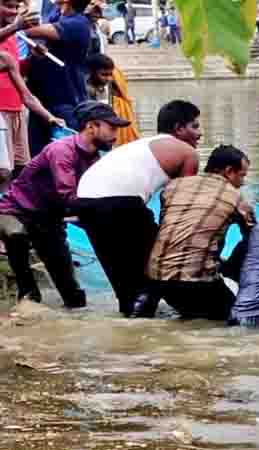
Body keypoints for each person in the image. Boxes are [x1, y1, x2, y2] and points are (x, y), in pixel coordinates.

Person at [75, 100, 200, 317]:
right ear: (179, 128)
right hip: (120, 201)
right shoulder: (188, 153)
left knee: (123, 279)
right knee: (162, 261)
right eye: (195, 126)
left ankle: (132, 315)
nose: (199, 134)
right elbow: (182, 205)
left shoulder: (141, 145)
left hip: (85, 201)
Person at [0, 101, 128, 307]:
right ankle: (27, 292)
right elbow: (68, 196)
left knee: (73, 297)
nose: (116, 135)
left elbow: (94, 196)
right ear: (91, 126)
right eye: (112, 128)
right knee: (16, 235)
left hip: (49, 219)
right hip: (16, 211)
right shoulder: (62, 151)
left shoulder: (94, 159)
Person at [139, 145, 255, 320]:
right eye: (242, 176)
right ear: (228, 171)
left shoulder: (174, 186)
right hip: (197, 281)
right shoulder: (236, 198)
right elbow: (255, 238)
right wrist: (232, 268)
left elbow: (169, 227)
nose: (243, 182)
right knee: (237, 318)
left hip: (155, 277)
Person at [0, 0, 66, 181]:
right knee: (3, 173)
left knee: (21, 170)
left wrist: (31, 59)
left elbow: (16, 74)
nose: (14, 11)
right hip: (1, 114)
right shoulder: (11, 32)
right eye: (8, 6)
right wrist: (15, 27)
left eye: (16, 7)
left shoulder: (12, 38)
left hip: (16, 110)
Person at [22, 0, 92, 158]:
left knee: (67, 156)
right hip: (41, 102)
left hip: (65, 101)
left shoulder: (78, 23)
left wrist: (14, 22)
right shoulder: (56, 16)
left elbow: (29, 31)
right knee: (39, 157)